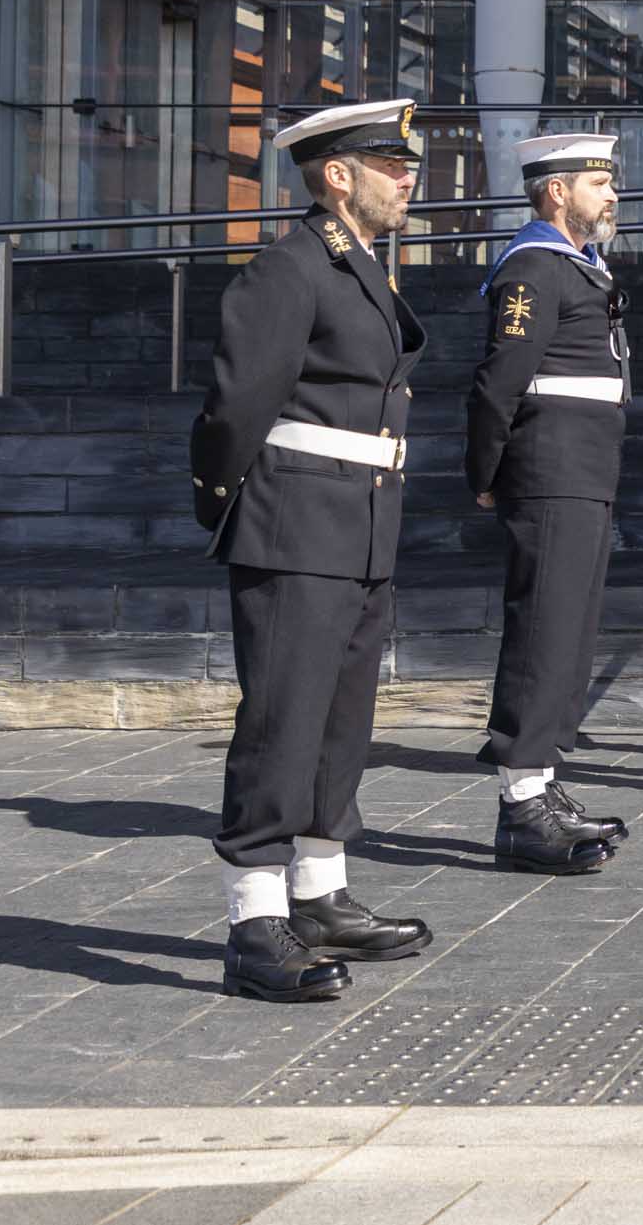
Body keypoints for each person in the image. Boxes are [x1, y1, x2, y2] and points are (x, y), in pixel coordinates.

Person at [191, 97, 431, 1002]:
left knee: (340, 720)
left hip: (360, 521)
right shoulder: (290, 269)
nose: (408, 177)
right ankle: (255, 921)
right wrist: (225, 501)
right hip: (295, 522)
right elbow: (236, 406)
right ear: (337, 176)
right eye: (390, 164)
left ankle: (320, 893)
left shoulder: (356, 264)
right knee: (283, 722)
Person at [465, 131, 632, 875]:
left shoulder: (578, 265)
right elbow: (500, 379)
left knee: (568, 630)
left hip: (584, 467)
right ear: (557, 191)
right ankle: (522, 804)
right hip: (551, 467)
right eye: (598, 182)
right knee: (542, 631)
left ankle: (540, 780)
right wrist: (485, 468)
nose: (612, 194)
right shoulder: (534, 266)